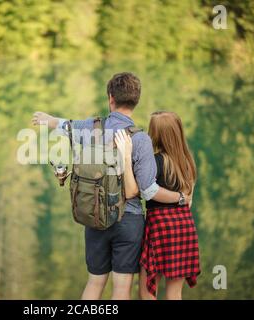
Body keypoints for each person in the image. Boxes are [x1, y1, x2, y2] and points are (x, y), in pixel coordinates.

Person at [31, 72, 190, 300]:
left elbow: (65, 125)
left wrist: (48, 119)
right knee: (122, 289)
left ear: (110, 98)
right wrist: (181, 198)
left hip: (94, 217)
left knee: (94, 283)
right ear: (136, 101)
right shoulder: (140, 139)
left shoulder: (90, 128)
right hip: (129, 220)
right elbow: (148, 190)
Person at [114, 111, 201, 300]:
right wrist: (180, 199)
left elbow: (144, 191)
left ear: (154, 133)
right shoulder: (188, 162)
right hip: (185, 226)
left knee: (147, 291)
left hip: (160, 227)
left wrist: (126, 159)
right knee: (175, 293)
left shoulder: (153, 161)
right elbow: (189, 199)